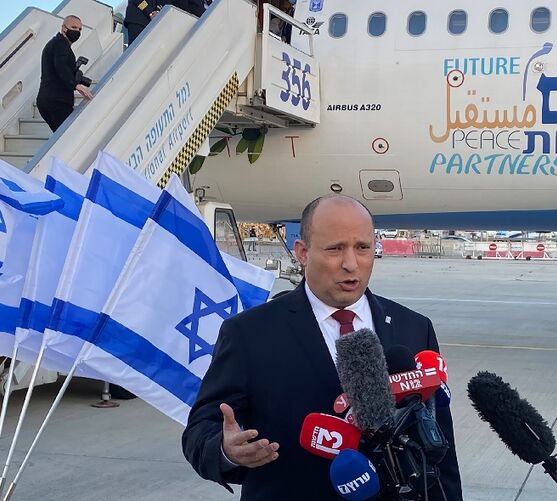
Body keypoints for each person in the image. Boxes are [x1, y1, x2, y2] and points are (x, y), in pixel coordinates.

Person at [182, 194, 462, 500]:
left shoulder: (414, 329)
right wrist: (226, 451)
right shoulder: (248, 333)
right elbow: (200, 430)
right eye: (335, 249)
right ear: (302, 252)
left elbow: (440, 446)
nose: (350, 263)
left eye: (363, 248)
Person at [36, 15, 93, 132]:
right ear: (63, 28)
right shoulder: (60, 44)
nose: (77, 31)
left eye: (79, 29)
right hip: (57, 101)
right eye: (73, 27)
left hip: (46, 100)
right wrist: (76, 85)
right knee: (69, 136)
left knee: (60, 138)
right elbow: (60, 66)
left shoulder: (56, 44)